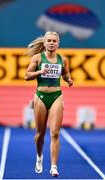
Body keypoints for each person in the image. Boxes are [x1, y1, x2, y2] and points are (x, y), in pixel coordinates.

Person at [25, 31, 73, 177]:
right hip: (40, 96)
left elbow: (65, 73)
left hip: (57, 95)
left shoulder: (62, 59)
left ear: (58, 44)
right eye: (49, 41)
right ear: (45, 43)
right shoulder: (38, 58)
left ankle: (53, 166)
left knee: (55, 133)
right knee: (40, 134)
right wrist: (40, 71)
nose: (52, 43)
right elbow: (27, 76)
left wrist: (69, 80)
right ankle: (39, 157)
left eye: (54, 41)